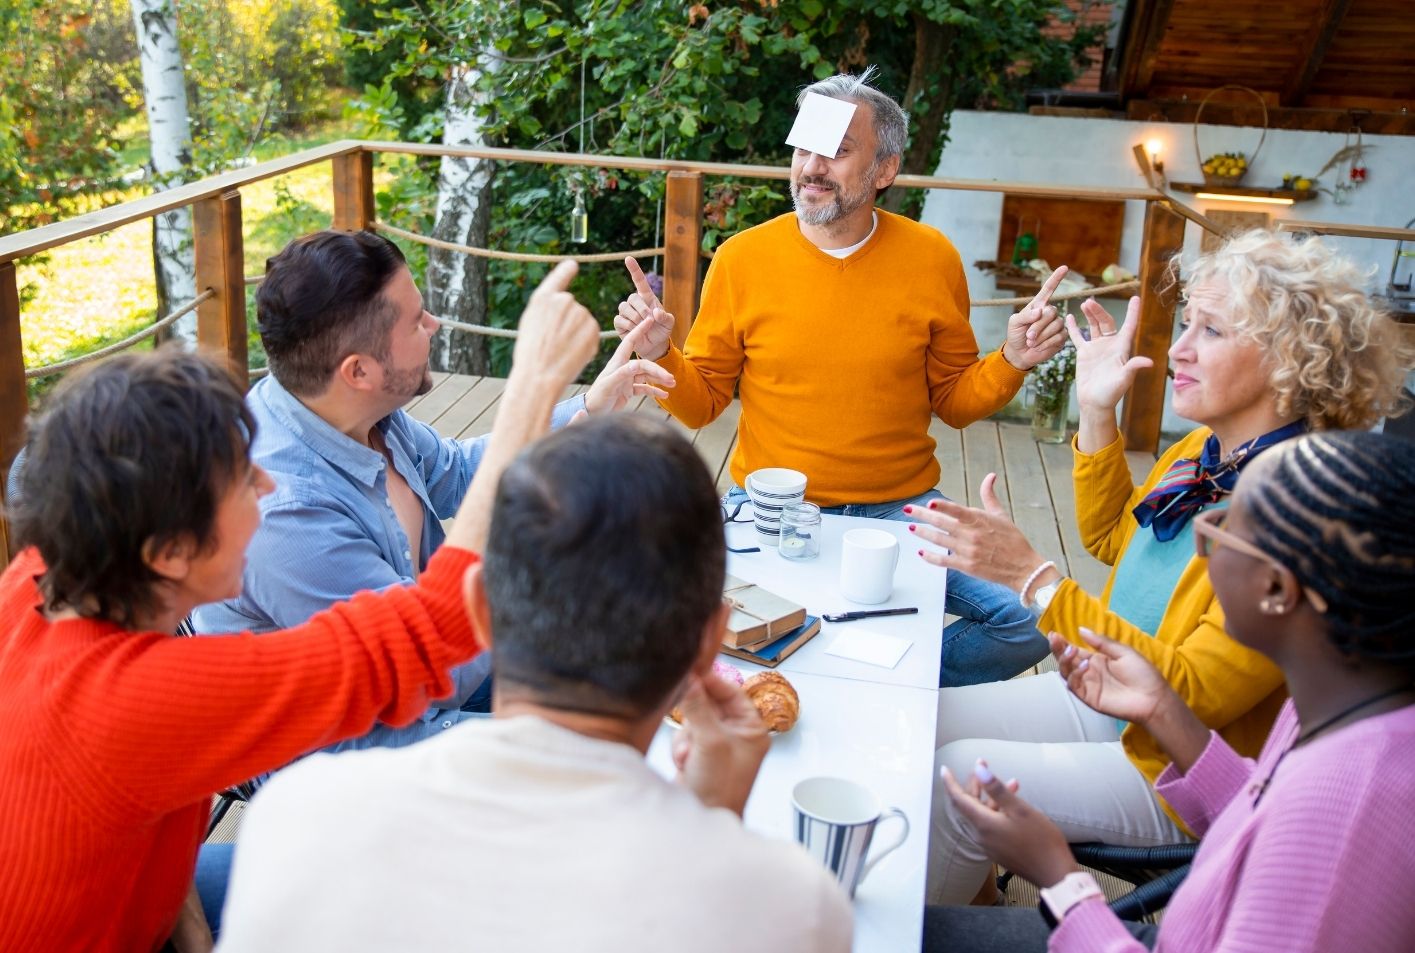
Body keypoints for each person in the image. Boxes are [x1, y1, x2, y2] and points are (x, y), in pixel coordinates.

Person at [0, 260, 601, 952]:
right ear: (166, 551)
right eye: (238, 477)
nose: (264, 481)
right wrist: (531, 386)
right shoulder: (142, 697)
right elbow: (426, 631)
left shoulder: (42, 577)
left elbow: (150, 808)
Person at [215, 415, 854, 953]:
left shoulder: (294, 819)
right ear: (710, 645)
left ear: (480, 611)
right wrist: (715, 826)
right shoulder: (798, 908)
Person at [914, 229, 1415, 904]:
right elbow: (1113, 540)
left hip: (1177, 763)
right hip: (1104, 697)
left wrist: (1033, 580)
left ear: (1286, 358)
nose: (1177, 349)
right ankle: (977, 903)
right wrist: (1095, 410)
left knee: (953, 778)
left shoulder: (1303, 504)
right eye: (1185, 324)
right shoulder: (1208, 449)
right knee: (918, 722)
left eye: (1209, 330)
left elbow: (1194, 693)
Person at [611, 67, 1069, 687]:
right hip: (768, 505)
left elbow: (957, 402)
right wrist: (664, 352)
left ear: (885, 169)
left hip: (903, 509)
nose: (812, 167)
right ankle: (825, 675)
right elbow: (702, 405)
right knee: (658, 614)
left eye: (837, 151)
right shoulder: (743, 258)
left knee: (1032, 620)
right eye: (803, 147)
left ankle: (872, 680)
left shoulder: (932, 257)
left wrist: (1011, 358)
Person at [925, 430, 1415, 952]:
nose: (1200, 533)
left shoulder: (1352, 803)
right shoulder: (1342, 708)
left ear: (1276, 589)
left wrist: (1061, 880)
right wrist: (1162, 710)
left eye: (1222, 529)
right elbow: (1255, 810)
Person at [193, 229, 671, 752]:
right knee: (601, 739)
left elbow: (458, 474)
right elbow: (429, 671)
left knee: (625, 661)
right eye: (417, 321)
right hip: (344, 743)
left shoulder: (355, 409)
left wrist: (587, 410)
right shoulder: (286, 513)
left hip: (434, 662)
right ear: (359, 371)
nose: (434, 325)